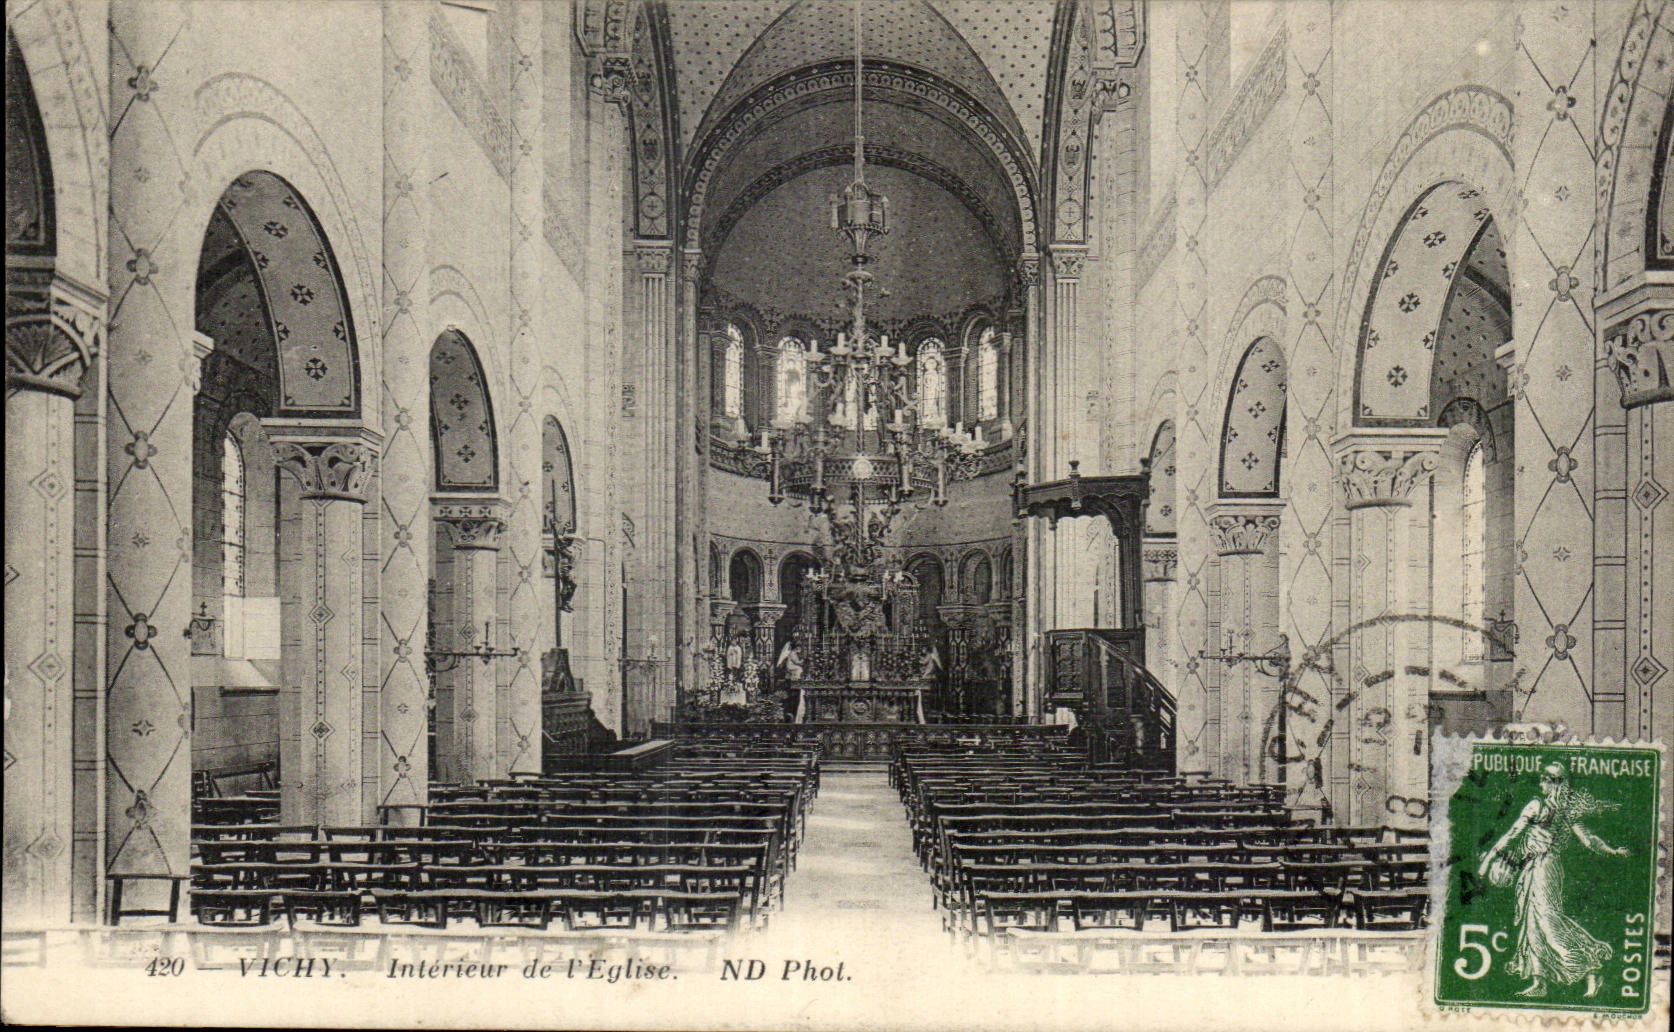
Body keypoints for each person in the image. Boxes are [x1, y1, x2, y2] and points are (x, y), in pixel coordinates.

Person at [1476, 762, 1627, 998]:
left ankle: (1591, 969)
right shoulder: (1564, 811)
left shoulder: (1539, 806)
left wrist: (1487, 862)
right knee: (1531, 923)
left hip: (1545, 867)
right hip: (1536, 867)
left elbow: (1514, 833)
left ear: (1554, 783)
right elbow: (1590, 840)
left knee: (1548, 921)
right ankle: (1539, 982)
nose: (1540, 784)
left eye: (1545, 780)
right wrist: (1612, 850)